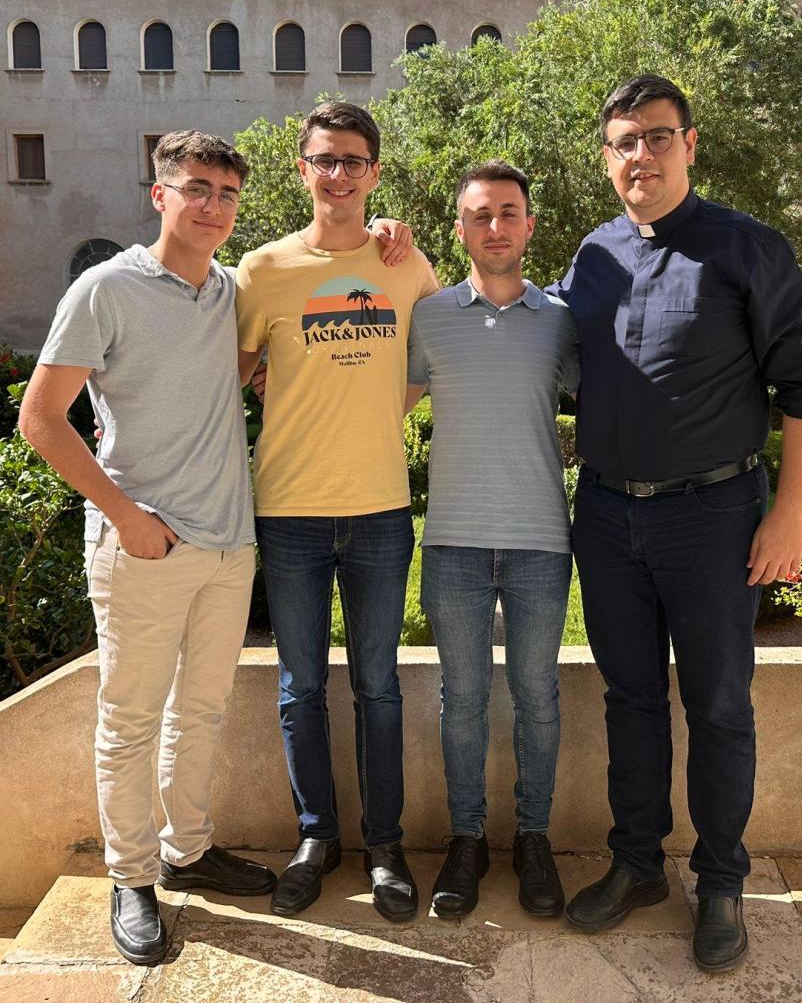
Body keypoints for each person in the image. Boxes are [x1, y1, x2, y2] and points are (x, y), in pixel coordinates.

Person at [549, 75, 802, 972]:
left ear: (689, 144)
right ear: (607, 159)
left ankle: (720, 881)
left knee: (716, 706)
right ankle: (636, 863)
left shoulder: (747, 248)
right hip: (603, 514)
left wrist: (787, 513)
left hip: (713, 517)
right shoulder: (590, 258)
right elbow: (533, 348)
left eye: (657, 137)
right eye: (625, 142)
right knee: (629, 699)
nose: (641, 154)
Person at [18, 131, 278, 966]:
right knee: (130, 720)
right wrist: (125, 514)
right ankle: (131, 879)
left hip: (229, 544)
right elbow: (40, 419)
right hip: (143, 547)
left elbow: (209, 381)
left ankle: (188, 849)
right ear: (159, 194)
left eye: (227, 194)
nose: (213, 207)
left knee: (200, 711)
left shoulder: (227, 291)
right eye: (196, 188)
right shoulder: (106, 288)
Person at [234, 102, 439, 922]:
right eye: (326, 160)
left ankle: (383, 845)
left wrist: (384, 408)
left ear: (374, 173)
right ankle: (316, 839)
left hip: (382, 509)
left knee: (380, 686)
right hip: (288, 510)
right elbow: (234, 374)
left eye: (355, 161)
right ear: (303, 170)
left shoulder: (406, 266)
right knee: (300, 686)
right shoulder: (263, 269)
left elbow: (432, 356)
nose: (340, 174)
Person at [406, 161, 580, 919]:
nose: (496, 227)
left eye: (509, 213)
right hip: (452, 542)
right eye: (480, 215)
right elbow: (379, 396)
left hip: (542, 540)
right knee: (463, 699)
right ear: (461, 229)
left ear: (529, 224)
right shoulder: (430, 316)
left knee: (538, 697)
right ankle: (467, 841)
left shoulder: (564, 320)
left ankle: (533, 840)